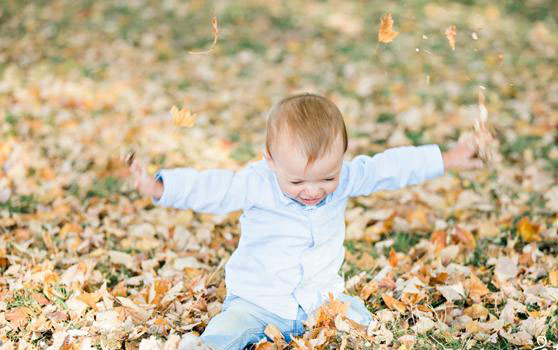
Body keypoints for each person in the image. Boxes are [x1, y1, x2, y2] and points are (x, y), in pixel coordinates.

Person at [128, 93, 486, 350]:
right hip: (257, 301)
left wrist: (449, 158)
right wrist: (160, 187)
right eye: (297, 181)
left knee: (362, 323)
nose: (314, 190)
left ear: (342, 159)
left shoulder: (345, 177)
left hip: (320, 299)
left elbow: (388, 168)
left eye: (326, 178)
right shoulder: (256, 183)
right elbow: (212, 188)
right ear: (270, 160)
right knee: (225, 333)